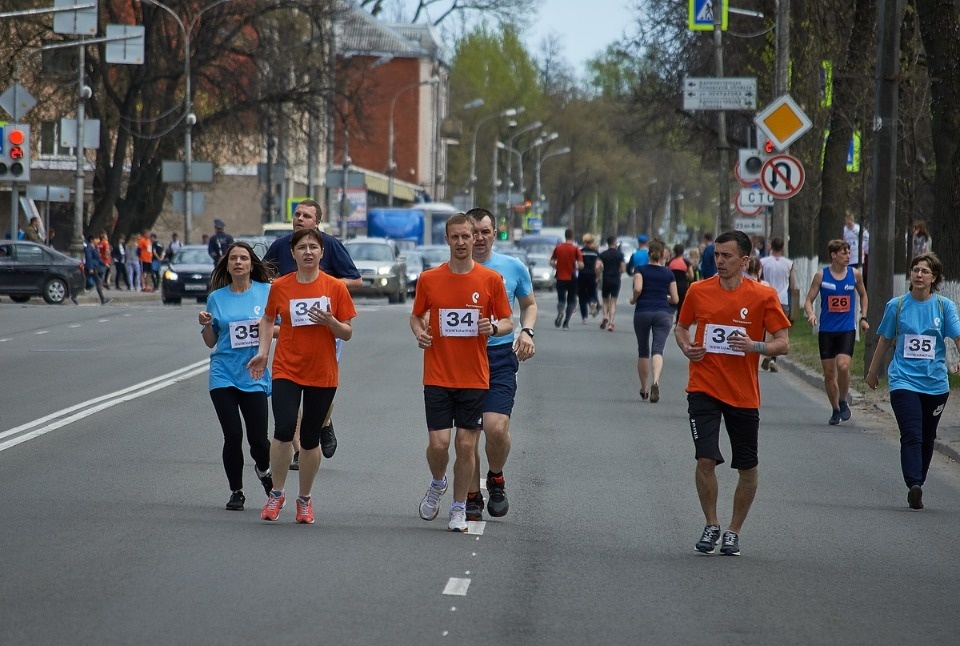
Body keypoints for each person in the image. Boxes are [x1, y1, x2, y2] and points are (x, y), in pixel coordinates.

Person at [676, 230, 790, 557]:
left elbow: (783, 341)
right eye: (717, 255)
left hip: (743, 394)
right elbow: (682, 328)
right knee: (705, 457)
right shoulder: (698, 291)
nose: (720, 261)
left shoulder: (762, 296)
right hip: (703, 387)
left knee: (747, 467)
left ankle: (733, 531)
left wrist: (755, 346)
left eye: (727, 256)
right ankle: (711, 524)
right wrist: (686, 347)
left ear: (744, 260)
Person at [410, 213, 513, 533]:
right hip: (438, 375)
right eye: (454, 237)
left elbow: (509, 321)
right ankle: (438, 482)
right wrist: (420, 332)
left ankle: (458, 508)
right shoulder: (429, 279)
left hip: (474, 376)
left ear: (474, 239)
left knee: (466, 447)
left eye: (466, 237)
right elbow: (416, 317)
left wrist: (494, 326)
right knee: (439, 445)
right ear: (447, 240)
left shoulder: (490, 280)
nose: (461, 242)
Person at [248, 228, 357, 524]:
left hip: (322, 371)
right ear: (293, 253)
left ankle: (305, 499)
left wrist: (331, 321)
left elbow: (347, 332)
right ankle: (277, 493)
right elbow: (269, 318)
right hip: (287, 368)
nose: (308, 252)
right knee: (283, 428)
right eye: (302, 247)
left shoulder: (335, 287)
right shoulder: (281, 286)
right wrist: (263, 351)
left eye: (313, 247)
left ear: (322, 253)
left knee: (309, 439)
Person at [263, 199, 361, 468]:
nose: (300, 219)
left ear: (317, 222)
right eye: (297, 214)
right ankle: (297, 450)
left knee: (321, 383)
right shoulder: (281, 245)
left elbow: (356, 278)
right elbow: (263, 274)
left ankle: (324, 422)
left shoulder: (329, 245)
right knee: (290, 392)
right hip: (292, 328)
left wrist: (326, 289)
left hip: (325, 326)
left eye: (306, 216)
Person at [866, 252, 960, 510]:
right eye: (915, 270)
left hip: (936, 385)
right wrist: (873, 372)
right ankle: (913, 484)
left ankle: (918, 483)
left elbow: (957, 338)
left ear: (934, 278)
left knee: (928, 438)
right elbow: (885, 339)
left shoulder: (944, 307)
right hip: (903, 381)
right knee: (912, 434)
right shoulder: (896, 306)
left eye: (925, 271)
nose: (919, 274)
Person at [464, 208, 538, 522]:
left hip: (498, 357)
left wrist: (527, 330)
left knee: (495, 428)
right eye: (473, 233)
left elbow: (529, 305)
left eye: (485, 231)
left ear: (495, 233)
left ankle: (495, 477)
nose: (479, 238)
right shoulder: (451, 270)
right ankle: (471, 495)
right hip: (461, 359)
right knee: (468, 434)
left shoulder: (512, 267)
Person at [198, 242, 277, 511]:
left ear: (251, 264)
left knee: (258, 441)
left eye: (244, 258)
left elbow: (283, 328)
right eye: (234, 258)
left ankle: (265, 471)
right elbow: (210, 342)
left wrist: (265, 326)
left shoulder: (267, 292)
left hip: (253, 371)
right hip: (223, 373)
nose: (239, 262)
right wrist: (207, 324)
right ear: (227, 265)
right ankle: (236, 491)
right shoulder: (217, 297)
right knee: (232, 434)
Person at [803, 239, 869, 425]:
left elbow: (863, 295)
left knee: (843, 366)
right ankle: (835, 409)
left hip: (846, 329)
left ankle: (843, 399)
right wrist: (810, 314)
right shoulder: (821, 276)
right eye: (844, 253)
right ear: (833, 255)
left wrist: (863, 317)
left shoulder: (854, 274)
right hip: (826, 331)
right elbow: (809, 300)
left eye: (849, 252)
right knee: (829, 373)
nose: (848, 256)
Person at [630, 239, 678, 402]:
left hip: (643, 311)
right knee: (657, 350)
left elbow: (638, 288)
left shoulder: (640, 269)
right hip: (662, 313)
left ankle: (644, 389)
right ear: (663, 253)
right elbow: (676, 299)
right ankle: (655, 381)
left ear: (649, 253)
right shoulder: (668, 273)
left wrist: (633, 299)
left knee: (643, 350)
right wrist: (665, 297)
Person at [759, 237, 795, 372]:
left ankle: (769, 356)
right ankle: (773, 359)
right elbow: (792, 285)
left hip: (767, 298)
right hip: (783, 299)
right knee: (780, 331)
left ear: (771, 247)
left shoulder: (763, 262)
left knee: (769, 330)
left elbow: (759, 279)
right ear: (783, 247)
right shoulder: (789, 263)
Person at [550, 229, 583, 330]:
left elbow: (551, 261)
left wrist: (557, 267)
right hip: (572, 278)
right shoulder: (575, 249)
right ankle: (566, 323)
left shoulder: (558, 248)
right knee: (571, 300)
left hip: (560, 277)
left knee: (561, 299)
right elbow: (581, 265)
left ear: (565, 236)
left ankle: (560, 311)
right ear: (572, 237)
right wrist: (576, 267)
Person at [598, 235, 626, 331]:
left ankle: (605, 316)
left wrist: (598, 275)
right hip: (616, 279)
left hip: (606, 278)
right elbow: (623, 268)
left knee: (605, 300)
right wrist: (620, 272)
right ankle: (611, 323)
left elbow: (598, 266)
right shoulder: (620, 255)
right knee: (613, 302)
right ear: (614, 243)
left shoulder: (603, 254)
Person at [578, 233, 601, 323]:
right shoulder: (596, 253)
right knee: (593, 292)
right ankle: (592, 303)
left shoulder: (580, 251)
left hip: (582, 274)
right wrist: (598, 276)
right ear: (592, 242)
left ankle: (584, 317)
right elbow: (597, 266)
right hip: (592, 274)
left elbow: (578, 264)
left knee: (582, 296)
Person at [668, 243, 694, 324]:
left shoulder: (670, 262)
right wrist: (686, 275)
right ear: (683, 252)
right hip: (682, 285)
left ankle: (669, 318)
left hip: (671, 285)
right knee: (681, 305)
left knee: (671, 303)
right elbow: (691, 276)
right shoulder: (686, 262)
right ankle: (678, 321)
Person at [82, 235, 112, 305]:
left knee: (83, 281)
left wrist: (104, 264)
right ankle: (103, 299)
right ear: (92, 240)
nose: (98, 241)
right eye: (96, 239)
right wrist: (90, 268)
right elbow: (89, 259)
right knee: (98, 282)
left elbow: (98, 258)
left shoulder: (94, 248)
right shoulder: (89, 248)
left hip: (93, 267)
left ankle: (74, 296)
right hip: (91, 267)